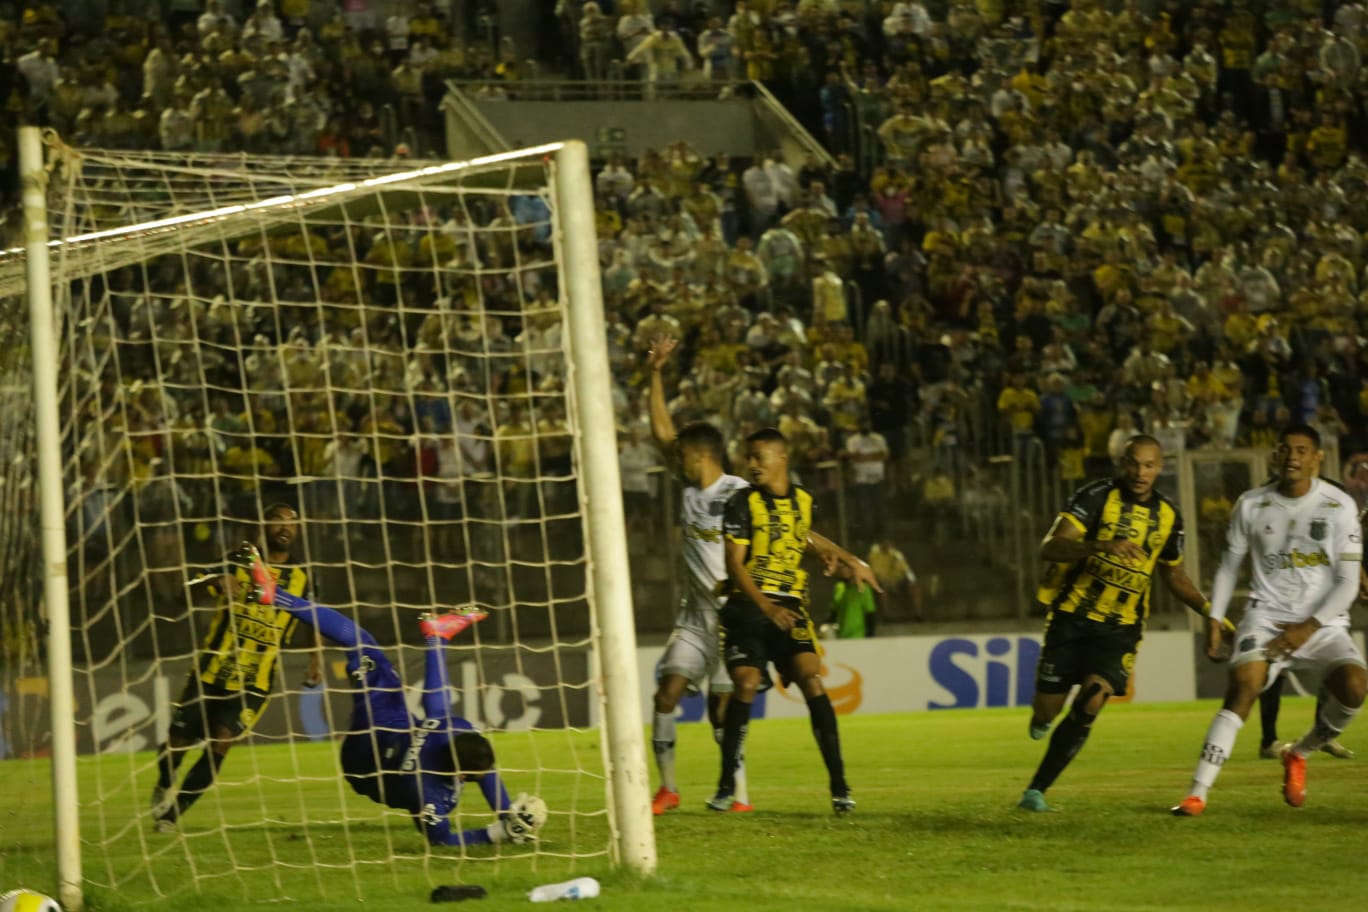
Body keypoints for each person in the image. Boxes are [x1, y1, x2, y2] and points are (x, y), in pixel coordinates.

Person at [242, 545, 544, 846]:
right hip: (376, 744)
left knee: (365, 645)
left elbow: (475, 766)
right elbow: (443, 841)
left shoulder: (446, 754)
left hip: (379, 746)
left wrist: (507, 815)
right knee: (367, 648)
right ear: (460, 776)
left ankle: (436, 637)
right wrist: (498, 833)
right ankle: (436, 636)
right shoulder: (432, 798)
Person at [1018, 437, 1221, 813]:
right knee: (1047, 710)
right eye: (1134, 464)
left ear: (1160, 467)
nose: (1140, 473)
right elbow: (1051, 546)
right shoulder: (1095, 497)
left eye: (1149, 465)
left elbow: (1173, 574)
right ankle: (1042, 718)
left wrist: (1209, 610)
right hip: (1071, 618)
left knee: (1094, 698)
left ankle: (1037, 789)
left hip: (1120, 627)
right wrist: (1101, 546)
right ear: (1122, 463)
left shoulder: (1169, 515)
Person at [1172, 425, 1367, 816]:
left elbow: (1348, 583)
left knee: (1355, 688)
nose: (1293, 457)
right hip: (1266, 618)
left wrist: (1307, 629)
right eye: (1286, 450)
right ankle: (1197, 793)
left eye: (1302, 450)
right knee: (1244, 686)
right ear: (1275, 456)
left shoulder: (1338, 505)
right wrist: (1214, 617)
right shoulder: (1251, 504)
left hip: (1322, 624)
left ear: (1317, 458)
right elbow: (1228, 569)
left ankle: (1300, 753)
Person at [710, 427, 882, 815]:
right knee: (746, 682)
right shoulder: (740, 503)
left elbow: (801, 539)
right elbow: (734, 566)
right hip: (748, 605)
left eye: (759, 457)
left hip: (791, 605)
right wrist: (766, 608)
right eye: (748, 457)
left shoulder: (804, 499)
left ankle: (840, 786)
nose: (752, 465)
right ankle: (725, 786)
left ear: (781, 458)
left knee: (811, 675)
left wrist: (849, 561)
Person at [152, 503, 319, 831]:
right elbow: (187, 591)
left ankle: (172, 816)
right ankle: (163, 782)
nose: (285, 528)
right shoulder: (236, 558)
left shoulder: (303, 575)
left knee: (222, 741)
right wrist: (217, 579)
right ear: (263, 525)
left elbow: (312, 615)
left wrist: (315, 658)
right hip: (213, 669)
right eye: (277, 521)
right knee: (177, 742)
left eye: (292, 523)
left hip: (256, 680)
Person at [645, 335, 754, 815]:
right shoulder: (689, 488)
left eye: (684, 454)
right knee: (666, 694)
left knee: (722, 712)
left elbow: (787, 531)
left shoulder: (739, 493)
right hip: (694, 617)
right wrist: (655, 374)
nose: (677, 459)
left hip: (733, 616)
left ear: (702, 454)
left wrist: (835, 554)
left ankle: (737, 793)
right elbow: (661, 432)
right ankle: (668, 788)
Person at [827, 561, 877, 638]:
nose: (843, 570)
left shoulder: (863, 589)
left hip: (858, 637)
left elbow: (870, 615)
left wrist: (870, 637)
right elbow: (833, 613)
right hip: (840, 637)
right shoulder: (839, 587)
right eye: (841, 568)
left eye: (847, 568)